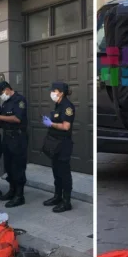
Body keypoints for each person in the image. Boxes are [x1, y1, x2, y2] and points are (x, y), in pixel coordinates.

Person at [0, 81, 28, 208]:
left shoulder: (19, 100)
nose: (1, 96)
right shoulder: (6, 103)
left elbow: (17, 118)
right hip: (7, 137)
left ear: (7, 89)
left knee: (18, 166)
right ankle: (12, 191)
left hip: (18, 138)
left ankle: (19, 195)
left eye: (1, 93)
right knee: (8, 166)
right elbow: (3, 119)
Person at [42, 82, 75, 213]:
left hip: (63, 144)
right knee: (56, 172)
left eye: (54, 91)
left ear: (61, 92)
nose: (52, 93)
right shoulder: (58, 105)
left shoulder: (67, 107)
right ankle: (57, 196)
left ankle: (66, 202)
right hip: (55, 143)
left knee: (64, 173)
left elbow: (66, 126)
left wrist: (50, 124)